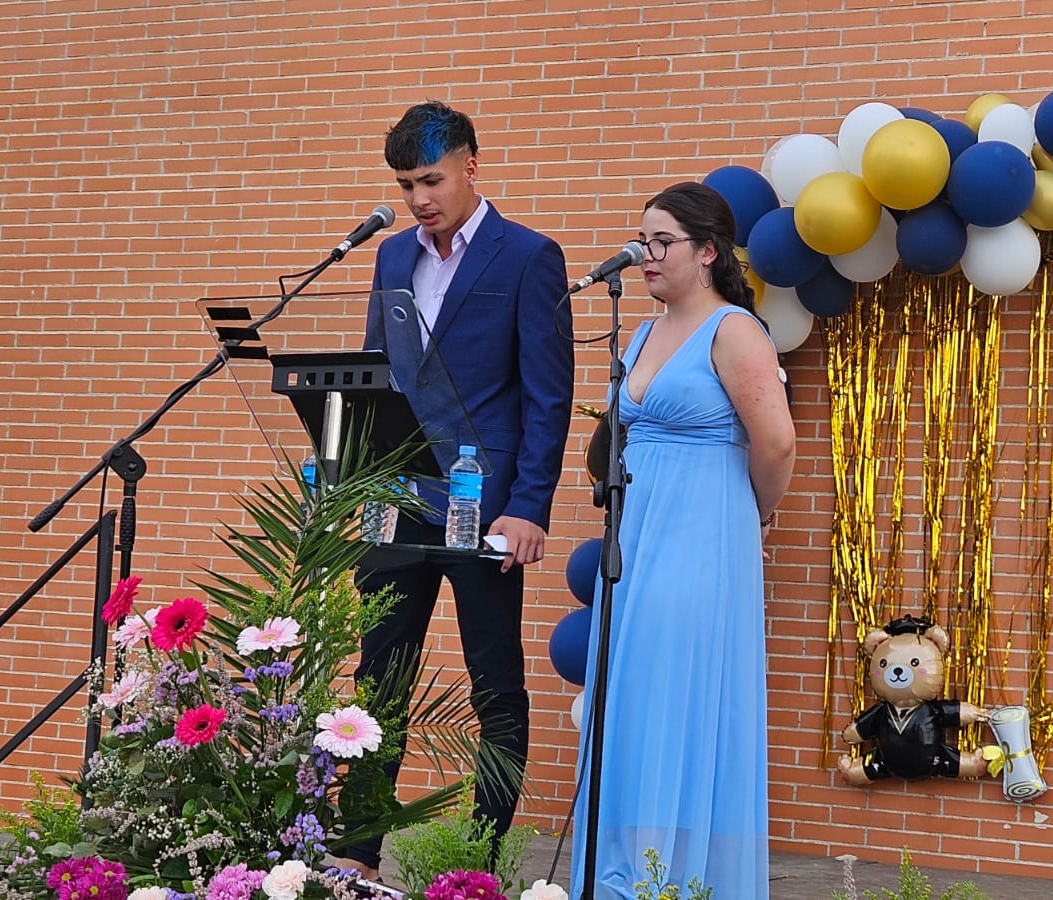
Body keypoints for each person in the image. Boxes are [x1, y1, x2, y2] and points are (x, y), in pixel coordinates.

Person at [340, 101, 574, 879]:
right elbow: (378, 381)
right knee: (379, 680)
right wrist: (361, 485)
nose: (417, 199)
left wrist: (530, 506)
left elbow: (547, 396)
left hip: (487, 503)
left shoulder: (529, 256)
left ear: (472, 164)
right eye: (405, 184)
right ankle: (358, 855)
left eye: (430, 179)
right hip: (397, 499)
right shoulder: (390, 258)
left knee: (494, 685)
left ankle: (475, 859)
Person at [571, 182, 796, 897]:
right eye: (642, 240)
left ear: (707, 252)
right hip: (636, 539)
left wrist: (748, 517)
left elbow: (778, 443)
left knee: (676, 698)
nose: (645, 255)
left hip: (702, 535)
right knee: (632, 702)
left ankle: (669, 879)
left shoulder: (735, 331)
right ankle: (621, 876)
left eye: (661, 241)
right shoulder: (642, 331)